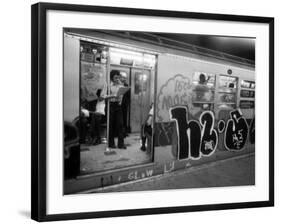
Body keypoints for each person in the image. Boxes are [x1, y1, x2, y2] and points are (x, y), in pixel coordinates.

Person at [108, 70, 127, 149]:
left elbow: (122, 94)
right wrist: (113, 96)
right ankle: (111, 144)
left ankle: (121, 144)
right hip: (111, 105)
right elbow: (104, 96)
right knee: (111, 125)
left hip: (118, 106)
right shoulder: (108, 85)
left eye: (118, 77)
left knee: (120, 125)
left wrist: (121, 86)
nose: (117, 79)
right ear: (111, 78)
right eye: (115, 77)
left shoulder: (120, 85)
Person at [119, 72, 131, 137]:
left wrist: (127, 103)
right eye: (122, 77)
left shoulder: (127, 85)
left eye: (124, 78)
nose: (123, 79)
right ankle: (118, 132)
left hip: (124, 104)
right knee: (119, 119)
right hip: (118, 104)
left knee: (124, 118)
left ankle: (124, 132)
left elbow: (128, 96)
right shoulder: (117, 85)